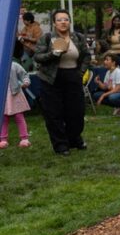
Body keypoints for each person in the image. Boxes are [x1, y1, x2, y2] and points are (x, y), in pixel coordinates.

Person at [33, 9, 91, 156]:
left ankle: (74, 138)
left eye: (66, 19)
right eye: (59, 20)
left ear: (70, 22)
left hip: (73, 76)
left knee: (76, 112)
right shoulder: (46, 38)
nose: (63, 22)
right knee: (54, 113)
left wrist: (80, 73)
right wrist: (53, 54)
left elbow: (86, 56)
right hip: (51, 79)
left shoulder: (78, 37)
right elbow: (38, 57)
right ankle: (61, 145)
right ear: (54, 23)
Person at [2, 59, 32, 148]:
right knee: (3, 118)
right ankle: (3, 139)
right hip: (2, 96)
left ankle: (24, 138)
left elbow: (24, 74)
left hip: (15, 94)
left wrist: (26, 82)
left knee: (19, 116)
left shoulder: (14, 65)